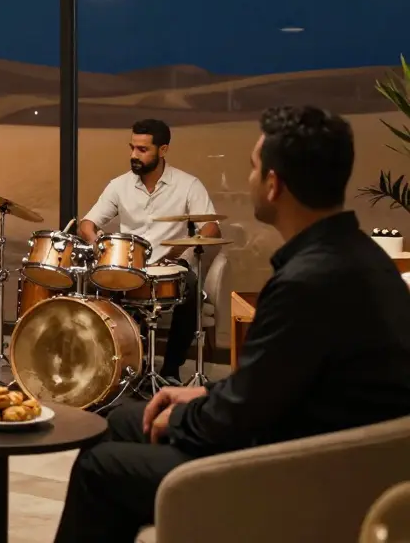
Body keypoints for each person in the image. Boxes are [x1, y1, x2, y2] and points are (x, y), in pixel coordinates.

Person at [54, 106, 410, 543]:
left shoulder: (308, 283)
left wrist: (182, 417)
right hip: (308, 436)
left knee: (100, 468)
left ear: (274, 185)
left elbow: (239, 417)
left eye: (254, 168)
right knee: (122, 421)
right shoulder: (359, 259)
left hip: (289, 471)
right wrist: (204, 391)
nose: (250, 179)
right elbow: (275, 383)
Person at [78, 118, 220, 382]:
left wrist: (186, 248)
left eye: (142, 150)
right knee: (102, 287)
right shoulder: (119, 185)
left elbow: (211, 228)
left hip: (171, 268)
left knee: (190, 289)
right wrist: (96, 241)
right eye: (132, 148)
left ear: (163, 150)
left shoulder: (188, 185)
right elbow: (87, 223)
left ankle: (171, 369)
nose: (134, 155)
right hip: (132, 267)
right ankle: (129, 366)